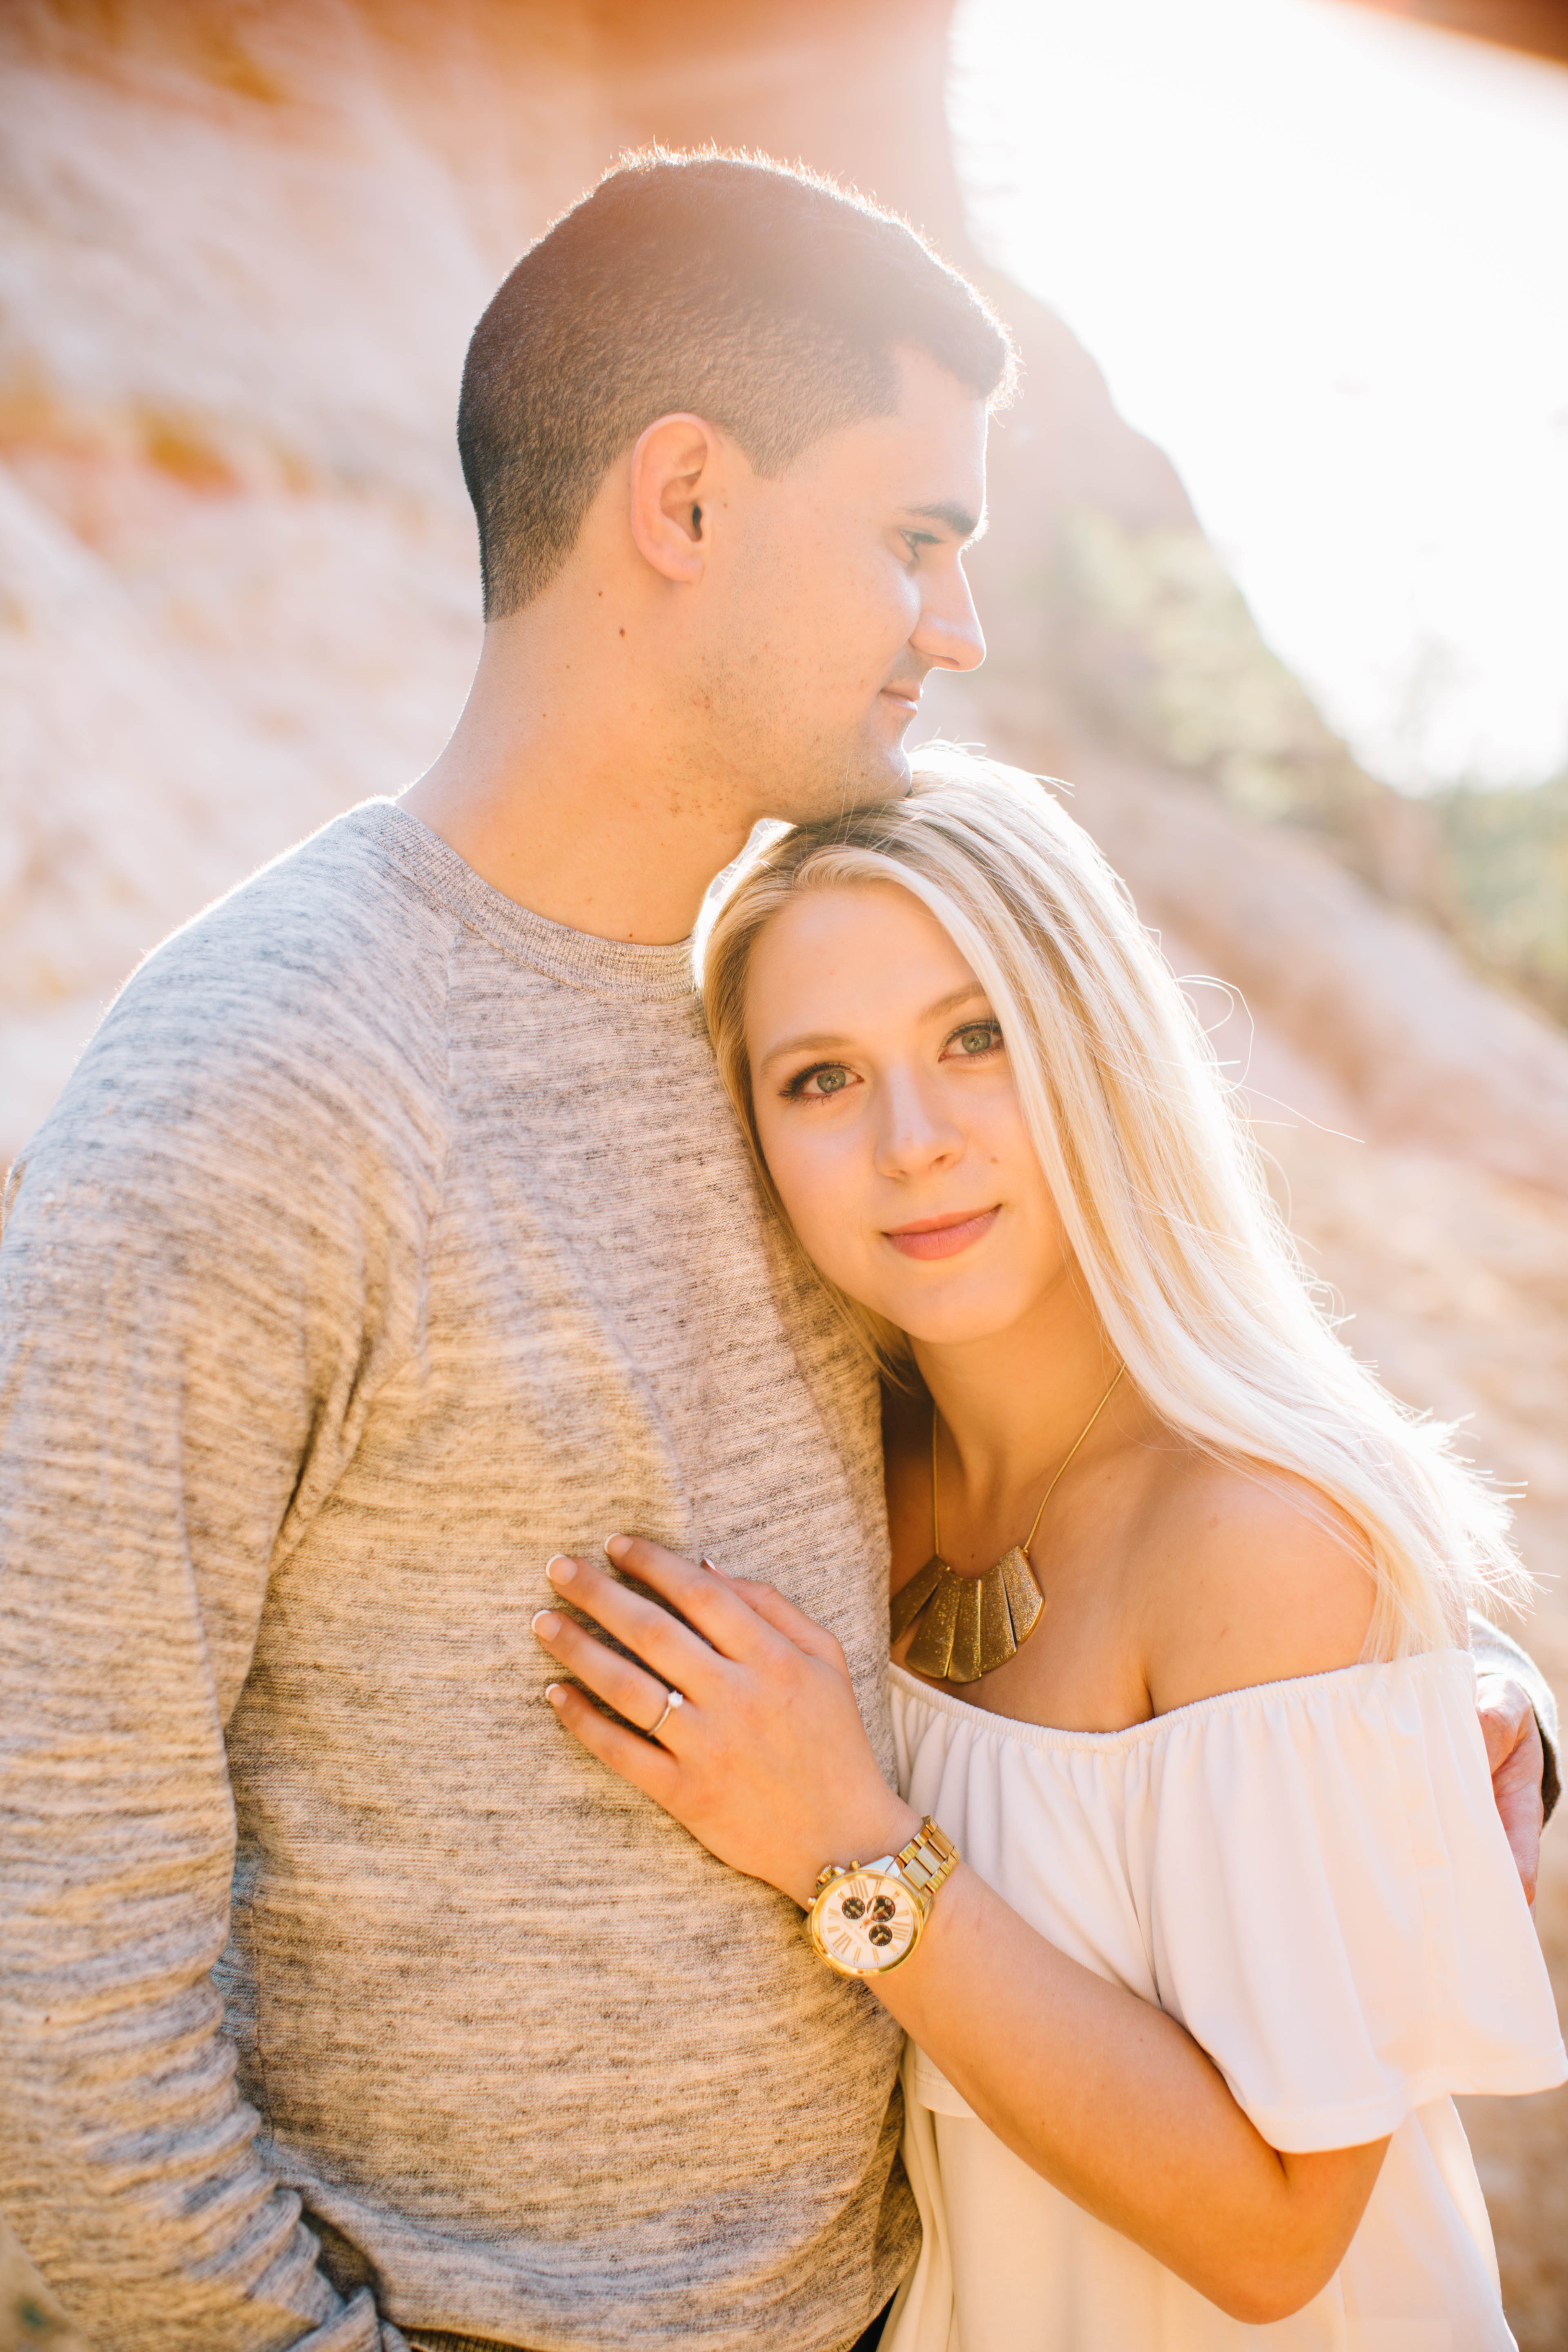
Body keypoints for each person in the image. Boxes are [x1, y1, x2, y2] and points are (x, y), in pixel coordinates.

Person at [0, 151, 1552, 2352]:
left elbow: (1054, 1521)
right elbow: (57, 1930)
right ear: (686, 502)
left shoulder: (780, 1042)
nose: (962, 623)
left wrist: (1418, 1722)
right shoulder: (258, 1093)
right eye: (918, 536)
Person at [532, 750, 1568, 2350]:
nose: (915, 1141)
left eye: (977, 1037)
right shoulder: (833, 1484)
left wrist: (842, 1842)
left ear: (1096, 1048)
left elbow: (1277, 2240)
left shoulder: (1260, 1538)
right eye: (822, 1077)